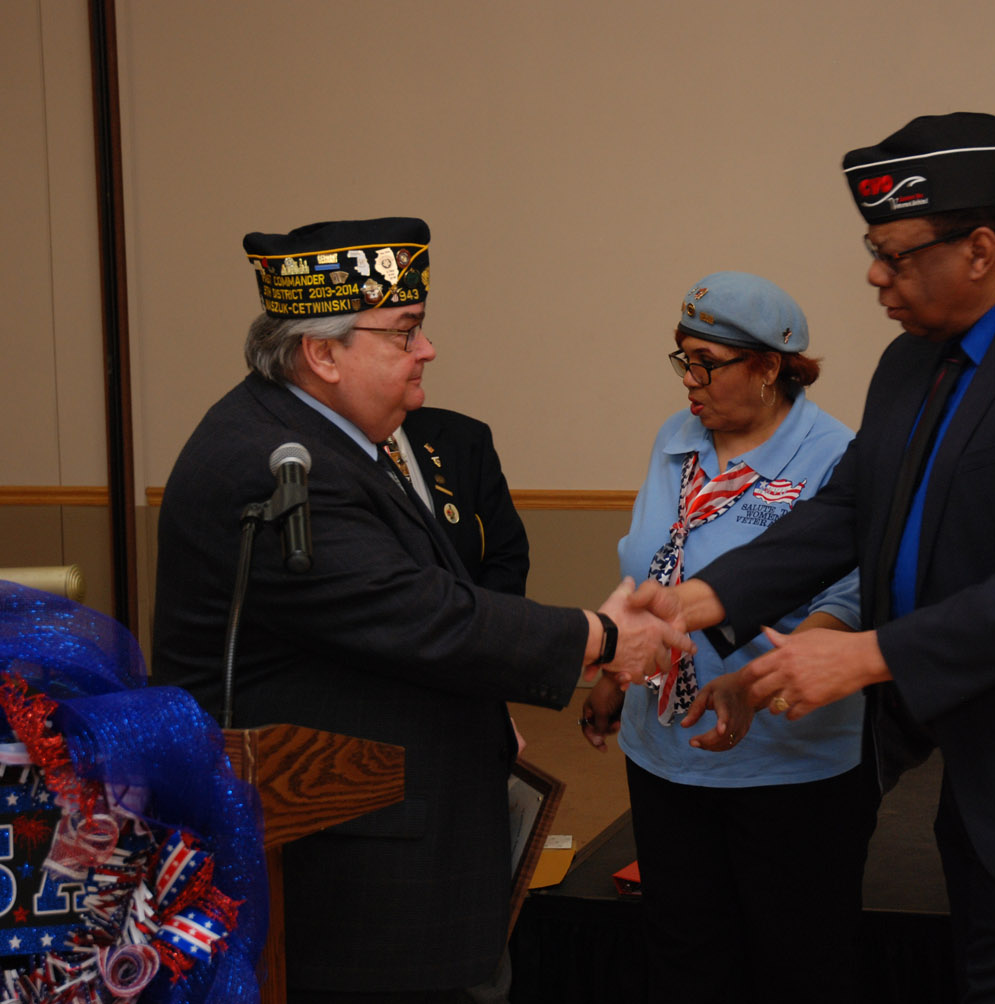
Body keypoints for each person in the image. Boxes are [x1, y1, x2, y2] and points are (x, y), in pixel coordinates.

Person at [632, 114, 995, 1003]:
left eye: (895, 256)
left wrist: (863, 654)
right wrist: (700, 599)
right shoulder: (914, 363)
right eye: (874, 251)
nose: (875, 275)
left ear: (978, 249)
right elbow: (849, 509)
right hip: (983, 764)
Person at [151, 216, 690, 1004]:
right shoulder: (272, 463)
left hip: (393, 845)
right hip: (347, 872)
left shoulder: (323, 438)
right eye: (405, 332)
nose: (428, 350)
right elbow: (416, 613)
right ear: (323, 354)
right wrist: (599, 636)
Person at [582, 272, 875, 1004]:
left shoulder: (835, 454)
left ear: (770, 366)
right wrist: (617, 676)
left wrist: (763, 676)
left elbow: (850, 596)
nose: (690, 380)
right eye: (683, 360)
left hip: (783, 759)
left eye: (707, 363)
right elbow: (650, 566)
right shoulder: (675, 440)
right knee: (684, 953)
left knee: (794, 961)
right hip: (663, 752)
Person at [388, 405, 530, 595]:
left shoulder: (463, 437)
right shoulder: (346, 452)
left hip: (472, 609)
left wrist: (480, 612)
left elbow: (507, 554)